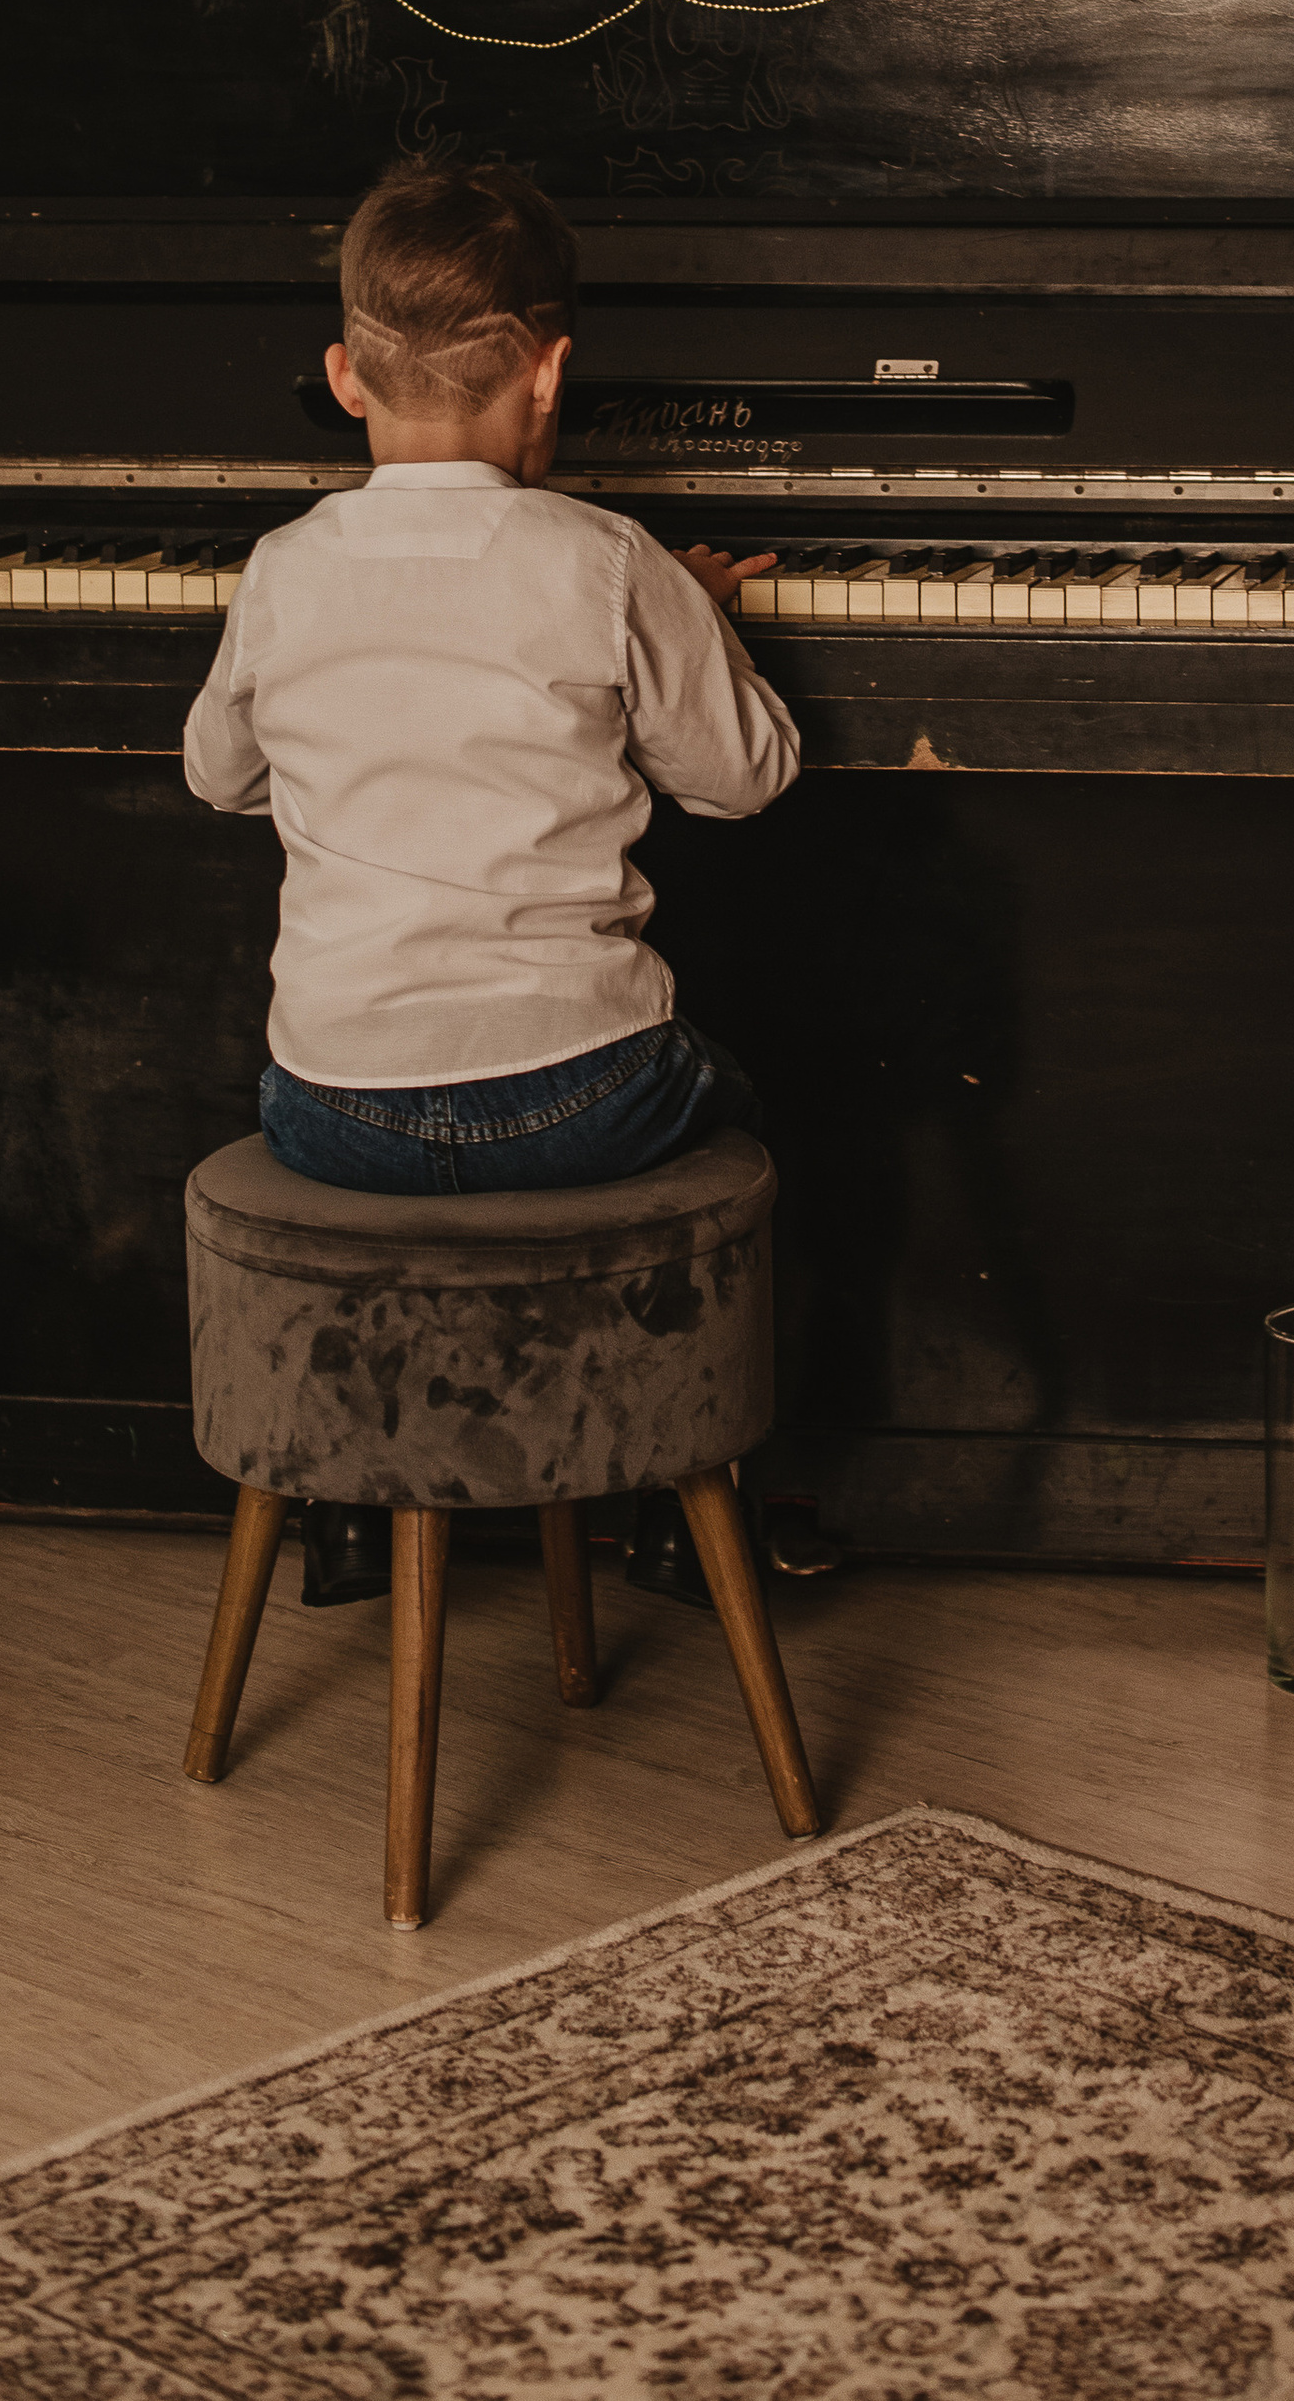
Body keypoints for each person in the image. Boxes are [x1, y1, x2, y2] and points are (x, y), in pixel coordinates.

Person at [183, 159, 798, 1601]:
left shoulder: (286, 568)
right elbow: (748, 776)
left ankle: (362, 1495)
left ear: (345, 376)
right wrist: (700, 629)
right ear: (549, 373)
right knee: (753, 1112)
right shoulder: (609, 560)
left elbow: (218, 774)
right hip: (581, 1097)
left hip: (329, 1112)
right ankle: (681, 1492)